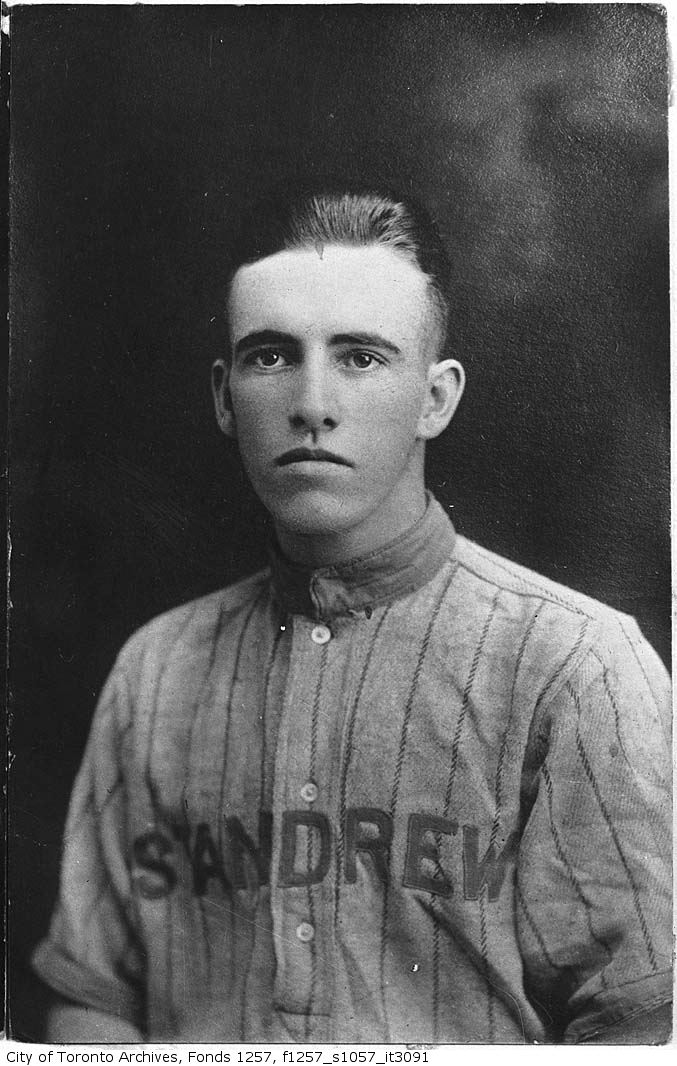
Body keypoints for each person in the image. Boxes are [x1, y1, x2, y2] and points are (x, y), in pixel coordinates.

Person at [33, 189, 671, 1045]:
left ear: (435, 398)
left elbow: (644, 1027)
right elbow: (91, 1003)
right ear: (224, 398)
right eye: (270, 357)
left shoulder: (575, 663)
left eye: (361, 358)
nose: (311, 403)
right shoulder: (156, 668)